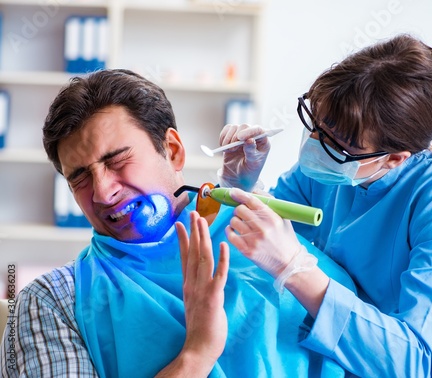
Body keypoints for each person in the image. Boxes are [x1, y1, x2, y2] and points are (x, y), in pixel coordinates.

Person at [0, 69, 357, 377]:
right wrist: (196, 353)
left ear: (172, 151)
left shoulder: (264, 237)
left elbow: (363, 344)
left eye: (117, 160)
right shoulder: (54, 300)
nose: (103, 193)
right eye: (79, 177)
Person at [218, 34, 432, 377]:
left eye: (339, 142)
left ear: (395, 158)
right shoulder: (329, 169)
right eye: (318, 125)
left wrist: (297, 271)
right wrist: (242, 186)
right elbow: (270, 234)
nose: (318, 145)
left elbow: (416, 361)